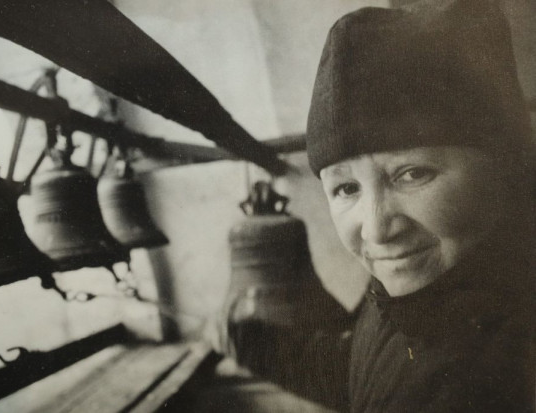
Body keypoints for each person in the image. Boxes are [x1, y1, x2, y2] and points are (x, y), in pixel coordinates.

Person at [225, 0, 535, 412]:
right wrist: (252, 344)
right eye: (346, 188)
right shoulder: (404, 298)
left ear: (504, 170)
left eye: (412, 174)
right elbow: (362, 369)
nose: (375, 230)